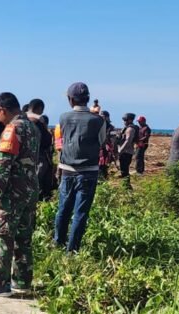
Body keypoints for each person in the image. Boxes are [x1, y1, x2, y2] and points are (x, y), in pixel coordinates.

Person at [0, 92, 41, 295]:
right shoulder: (32, 127)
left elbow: (3, 166)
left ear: (2, 110)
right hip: (30, 190)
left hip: (12, 193)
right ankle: (22, 282)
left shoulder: (12, 129)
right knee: (24, 238)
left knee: (3, 236)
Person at [53, 82, 106, 253]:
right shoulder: (98, 120)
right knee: (80, 212)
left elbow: (60, 140)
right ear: (88, 98)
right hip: (89, 170)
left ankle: (58, 243)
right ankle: (72, 250)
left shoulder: (63, 118)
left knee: (63, 209)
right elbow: (102, 140)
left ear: (70, 99)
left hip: (67, 169)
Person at [25, 99, 56, 201]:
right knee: (38, 181)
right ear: (39, 108)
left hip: (21, 157)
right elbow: (46, 140)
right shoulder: (38, 120)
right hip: (38, 156)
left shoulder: (18, 118)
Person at [117, 113, 138, 179]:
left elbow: (128, 141)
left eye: (126, 120)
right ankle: (125, 184)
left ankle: (127, 186)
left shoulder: (130, 129)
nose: (124, 122)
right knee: (123, 169)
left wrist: (121, 150)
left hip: (126, 152)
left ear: (130, 120)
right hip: (125, 151)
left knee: (124, 170)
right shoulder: (127, 128)